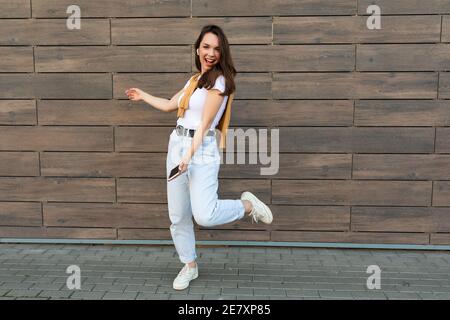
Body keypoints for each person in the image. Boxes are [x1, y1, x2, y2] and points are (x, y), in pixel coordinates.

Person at [125, 24, 273, 291]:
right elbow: (171, 105)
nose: (211, 53)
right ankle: (189, 266)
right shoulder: (194, 81)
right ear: (197, 49)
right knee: (178, 215)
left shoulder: (220, 82)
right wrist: (142, 95)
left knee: (204, 214)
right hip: (177, 144)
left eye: (216, 48)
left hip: (200, 149)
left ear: (222, 52)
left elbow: (205, 125)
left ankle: (247, 206)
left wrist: (188, 158)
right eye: (206, 47)